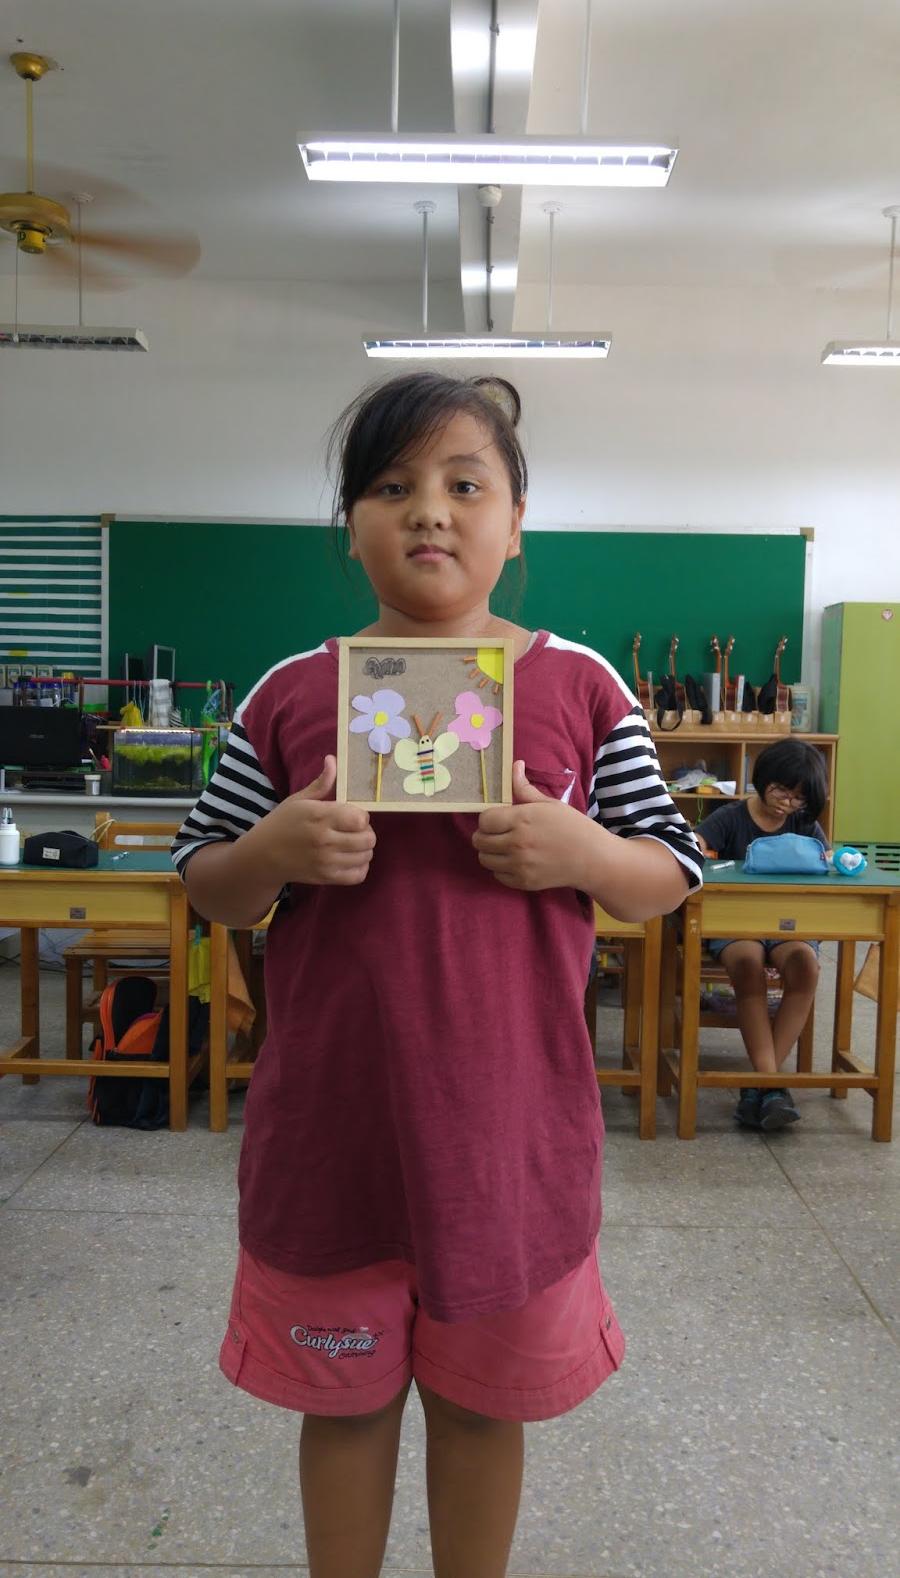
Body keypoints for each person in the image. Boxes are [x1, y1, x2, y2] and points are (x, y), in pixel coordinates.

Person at [172, 370, 703, 1578]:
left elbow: (669, 870)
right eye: (392, 485)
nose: (429, 509)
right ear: (349, 526)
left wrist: (584, 852)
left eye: (467, 485)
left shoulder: (582, 685)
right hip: (334, 1140)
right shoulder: (291, 693)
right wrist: (274, 850)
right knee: (346, 1407)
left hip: (508, 1145)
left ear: (516, 527)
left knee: (479, 1408)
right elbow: (208, 881)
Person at [694, 739, 830, 1133]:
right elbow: (695, 847)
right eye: (781, 791)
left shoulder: (805, 823)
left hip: (789, 925)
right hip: (736, 926)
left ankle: (760, 1085)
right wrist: (699, 850)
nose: (788, 804)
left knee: (806, 967)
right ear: (763, 778)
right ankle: (770, 1085)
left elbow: (826, 862)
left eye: (799, 798)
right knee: (747, 965)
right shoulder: (730, 817)